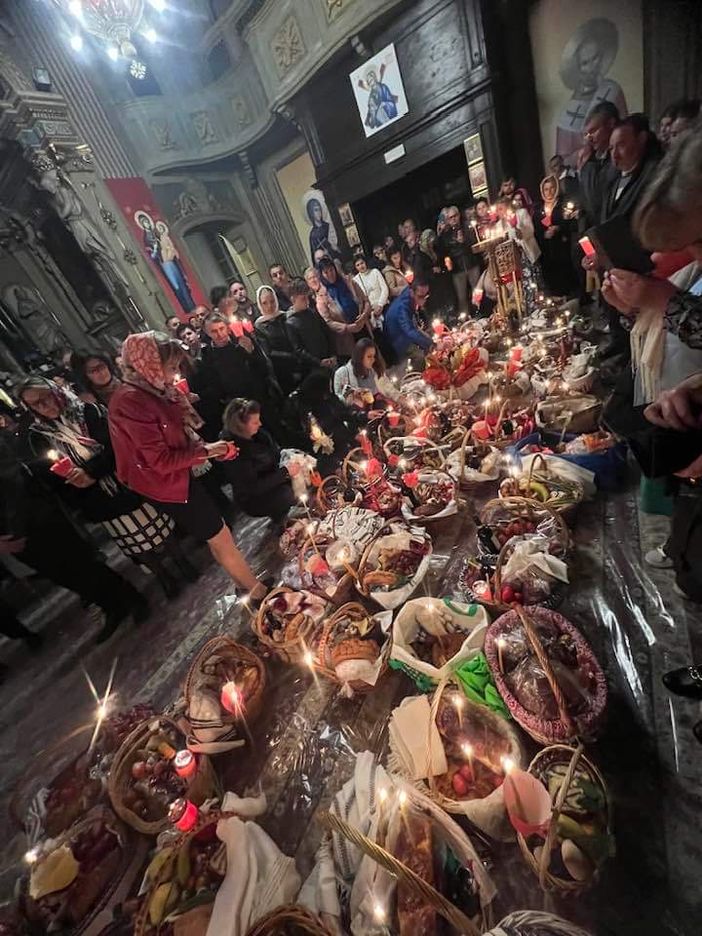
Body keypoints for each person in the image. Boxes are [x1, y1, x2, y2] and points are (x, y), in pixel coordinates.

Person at [108, 331, 268, 598]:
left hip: (176, 475)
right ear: (149, 364)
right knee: (220, 535)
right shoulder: (130, 402)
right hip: (166, 484)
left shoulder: (150, 388)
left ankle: (245, 587)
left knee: (218, 533)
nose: (175, 373)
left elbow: (174, 434)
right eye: (171, 367)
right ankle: (258, 592)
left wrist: (205, 446)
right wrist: (206, 451)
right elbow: (159, 460)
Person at [18, 376, 198, 600]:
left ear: (56, 392)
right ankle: (163, 576)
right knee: (131, 540)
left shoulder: (89, 412)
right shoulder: (39, 436)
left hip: (123, 478)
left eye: (46, 397)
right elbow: (51, 473)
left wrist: (91, 472)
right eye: (35, 404)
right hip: (94, 496)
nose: (44, 405)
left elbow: (118, 445)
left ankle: (181, 561)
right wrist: (73, 481)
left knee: (156, 525)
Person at [0, 399, 148, 644]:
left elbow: (12, 481)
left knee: (81, 563)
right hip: (10, 537)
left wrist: (16, 531)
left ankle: (131, 598)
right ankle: (111, 606)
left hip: (36, 519)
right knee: (63, 576)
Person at [595, 114, 662, 362]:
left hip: (642, 259)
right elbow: (605, 219)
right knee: (615, 306)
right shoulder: (613, 179)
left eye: (621, 145)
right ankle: (620, 345)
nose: (614, 154)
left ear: (641, 139)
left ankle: (632, 358)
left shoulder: (653, 174)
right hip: (613, 259)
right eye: (611, 148)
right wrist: (596, 252)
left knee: (640, 317)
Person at [195, 312, 283, 442]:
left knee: (277, 433)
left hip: (261, 399)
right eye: (214, 331)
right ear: (207, 333)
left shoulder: (242, 341)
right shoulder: (207, 357)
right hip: (239, 408)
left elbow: (263, 368)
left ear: (227, 327)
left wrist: (251, 352)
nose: (220, 334)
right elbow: (215, 386)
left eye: (221, 328)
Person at [219, 398, 295, 522]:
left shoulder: (259, 435)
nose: (260, 424)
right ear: (241, 426)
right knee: (286, 493)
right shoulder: (234, 453)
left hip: (272, 479)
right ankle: (280, 516)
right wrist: (285, 472)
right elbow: (252, 487)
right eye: (255, 422)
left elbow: (274, 453)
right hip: (253, 498)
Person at [284, 369, 366, 475]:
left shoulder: (328, 398)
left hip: (340, 442)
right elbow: (296, 435)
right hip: (320, 453)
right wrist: (310, 437)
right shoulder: (300, 406)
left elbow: (342, 413)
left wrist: (362, 418)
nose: (330, 391)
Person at [313, 258, 370, 359]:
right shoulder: (321, 296)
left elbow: (365, 300)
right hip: (347, 335)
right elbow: (328, 321)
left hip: (363, 325)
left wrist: (364, 314)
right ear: (321, 275)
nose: (330, 274)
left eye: (331, 270)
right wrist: (347, 327)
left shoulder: (348, 281)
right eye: (326, 272)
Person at [253, 285, 301, 394]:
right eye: (265, 303)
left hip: (300, 360)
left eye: (272, 301)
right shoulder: (259, 325)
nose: (270, 306)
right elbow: (268, 351)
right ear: (260, 304)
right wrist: (292, 356)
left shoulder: (285, 316)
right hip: (282, 369)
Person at [534, 177, 577, 296]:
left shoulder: (563, 204)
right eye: (546, 189)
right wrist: (544, 234)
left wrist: (558, 228)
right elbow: (536, 229)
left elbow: (570, 223)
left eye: (552, 188)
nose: (549, 192)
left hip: (563, 245)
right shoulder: (538, 209)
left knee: (566, 273)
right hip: (546, 249)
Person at [436, 205, 482, 315]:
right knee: (461, 297)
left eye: (455, 216)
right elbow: (442, 252)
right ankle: (465, 318)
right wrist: (439, 235)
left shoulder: (467, 226)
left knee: (477, 293)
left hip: (471, 264)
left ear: (459, 215)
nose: (453, 219)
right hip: (457, 269)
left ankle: (481, 313)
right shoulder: (446, 234)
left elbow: (476, 243)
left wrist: (464, 242)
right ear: (447, 220)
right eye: (450, 217)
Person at [286, 276, 337, 375]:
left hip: (330, 359)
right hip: (315, 367)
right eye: (303, 299)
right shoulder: (291, 323)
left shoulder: (312, 312)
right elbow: (299, 350)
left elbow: (327, 332)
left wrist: (333, 354)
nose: (307, 301)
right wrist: (319, 362)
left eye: (307, 297)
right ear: (293, 300)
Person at [384, 279, 433, 371]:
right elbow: (409, 330)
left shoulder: (411, 295)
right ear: (412, 293)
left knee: (428, 338)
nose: (424, 300)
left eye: (426, 295)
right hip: (399, 338)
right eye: (420, 296)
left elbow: (413, 326)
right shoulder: (402, 308)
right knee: (419, 357)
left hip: (405, 330)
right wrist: (431, 345)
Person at [333, 337, 397, 406]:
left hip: (378, 407)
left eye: (374, 356)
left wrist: (398, 399)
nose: (373, 360)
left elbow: (387, 389)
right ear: (360, 356)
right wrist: (354, 396)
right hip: (360, 411)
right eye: (369, 356)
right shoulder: (342, 373)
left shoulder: (374, 369)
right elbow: (340, 401)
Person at [352, 254, 389, 329]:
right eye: (358, 265)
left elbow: (385, 288)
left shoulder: (375, 271)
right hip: (371, 312)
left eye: (362, 263)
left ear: (365, 262)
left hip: (384, 305)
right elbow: (360, 300)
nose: (361, 266)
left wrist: (380, 305)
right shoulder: (355, 280)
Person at [307, 197, 341, 264]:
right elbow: (316, 255)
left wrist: (336, 247)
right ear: (311, 213)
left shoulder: (328, 226)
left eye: (320, 209)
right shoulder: (313, 235)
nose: (319, 212)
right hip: (327, 262)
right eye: (316, 210)